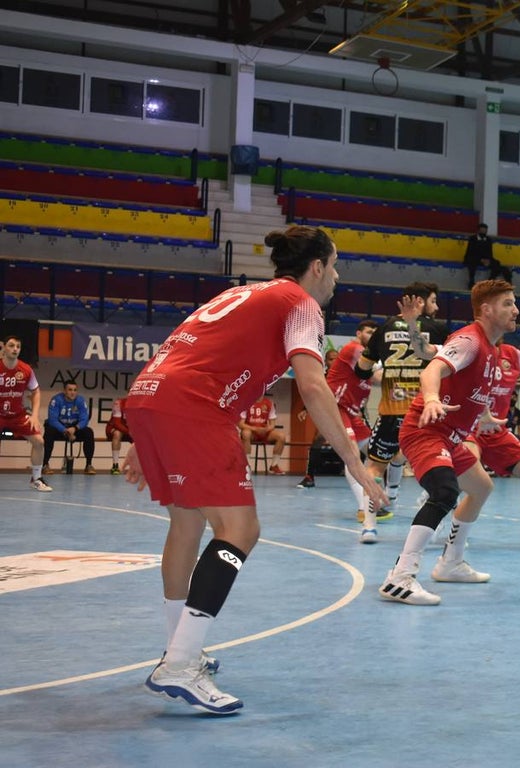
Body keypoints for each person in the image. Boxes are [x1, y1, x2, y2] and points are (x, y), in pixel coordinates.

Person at [123, 225, 384, 714]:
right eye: (337, 265)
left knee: (186, 522)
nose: (338, 276)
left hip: (152, 392)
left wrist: (147, 428)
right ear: (318, 267)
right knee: (240, 530)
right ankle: (179, 664)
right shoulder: (301, 304)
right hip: (194, 405)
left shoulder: (242, 292)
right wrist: (356, 462)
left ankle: (179, 648)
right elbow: (312, 386)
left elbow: (183, 351)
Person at [378, 279, 520, 606]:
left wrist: (482, 415)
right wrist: (430, 398)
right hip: (425, 428)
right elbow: (432, 370)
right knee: (444, 492)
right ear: (486, 310)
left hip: (451, 436)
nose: (516, 310)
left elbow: (472, 387)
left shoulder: (492, 348)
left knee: (482, 488)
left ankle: (450, 563)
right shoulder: (470, 340)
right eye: (508, 304)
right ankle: (399, 577)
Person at [400, 295, 520, 547]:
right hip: (468, 427)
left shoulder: (510, 355)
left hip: (494, 428)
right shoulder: (467, 345)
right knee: (470, 470)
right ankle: (442, 514)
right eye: (508, 306)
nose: (514, 312)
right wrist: (412, 326)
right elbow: (426, 354)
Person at [357, 282, 448, 513]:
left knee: (376, 466)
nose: (436, 307)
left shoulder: (385, 327)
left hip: (391, 410)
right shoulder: (437, 329)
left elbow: (361, 368)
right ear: (419, 301)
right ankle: (419, 503)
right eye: (433, 301)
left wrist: (381, 371)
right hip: (424, 411)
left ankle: (368, 514)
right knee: (435, 463)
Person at [320, 319, 382, 543]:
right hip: (336, 408)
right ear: (358, 333)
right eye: (368, 331)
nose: (372, 333)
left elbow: (374, 382)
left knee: (379, 452)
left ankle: (384, 496)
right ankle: (363, 508)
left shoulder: (368, 358)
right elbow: (378, 377)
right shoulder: (353, 349)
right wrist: (404, 374)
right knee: (353, 456)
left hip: (353, 414)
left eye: (375, 331)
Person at [0, 334, 51, 492]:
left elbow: (36, 392)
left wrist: (35, 415)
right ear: (3, 347)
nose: (15, 349)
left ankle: (36, 478)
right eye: (11, 345)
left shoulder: (25, 369)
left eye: (18, 346)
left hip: (18, 415)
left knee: (39, 441)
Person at [295, 347, 341, 489]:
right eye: (331, 359)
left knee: (364, 445)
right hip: (331, 415)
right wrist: (305, 410)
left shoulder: (346, 375)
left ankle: (376, 475)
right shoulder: (322, 378)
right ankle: (310, 477)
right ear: (325, 362)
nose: (334, 361)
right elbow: (314, 395)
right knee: (318, 440)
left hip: (349, 414)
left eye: (336, 358)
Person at [43, 381, 97, 474]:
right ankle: (45, 464)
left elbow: (85, 419)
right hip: (59, 429)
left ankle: (89, 465)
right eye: (70, 390)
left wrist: (75, 428)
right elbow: (52, 420)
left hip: (73, 429)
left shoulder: (80, 400)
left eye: (75, 390)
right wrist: (65, 430)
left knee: (88, 432)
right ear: (64, 391)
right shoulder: (56, 400)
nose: (73, 392)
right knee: (49, 432)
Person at [238, 392, 286, 475]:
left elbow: (272, 424)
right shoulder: (246, 402)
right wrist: (255, 429)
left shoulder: (269, 403)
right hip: (251, 432)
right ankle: (247, 465)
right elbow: (241, 424)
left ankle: (274, 466)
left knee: (281, 436)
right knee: (245, 433)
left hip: (264, 432)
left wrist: (266, 429)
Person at [463, 223, 512, 288]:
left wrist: (488, 260)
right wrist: (481, 260)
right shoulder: (473, 239)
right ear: (478, 230)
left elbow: (490, 253)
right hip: (474, 258)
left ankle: (491, 281)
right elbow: (470, 252)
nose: (483, 231)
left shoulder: (488, 240)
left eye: (485, 230)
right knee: (471, 263)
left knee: (497, 263)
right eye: (482, 230)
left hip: (486, 259)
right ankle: (471, 282)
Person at [106, 395, 131, 475]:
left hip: (129, 430)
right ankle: (115, 465)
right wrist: (130, 432)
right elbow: (117, 423)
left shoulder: (141, 405)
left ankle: (140, 467)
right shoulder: (119, 403)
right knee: (117, 433)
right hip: (114, 428)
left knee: (144, 437)